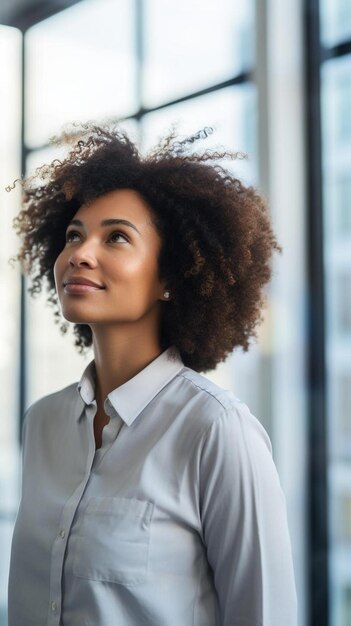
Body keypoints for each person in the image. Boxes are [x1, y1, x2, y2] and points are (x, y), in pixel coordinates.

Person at [8, 124, 297, 626]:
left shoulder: (217, 431)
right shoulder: (42, 424)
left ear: (168, 276)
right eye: (74, 234)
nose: (80, 252)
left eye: (116, 236)